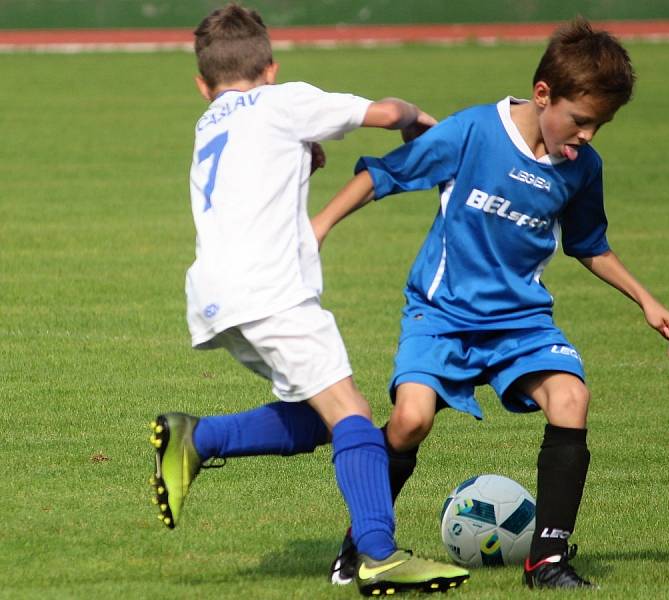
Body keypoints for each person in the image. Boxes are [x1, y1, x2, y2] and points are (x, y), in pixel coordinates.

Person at [313, 17, 669, 590]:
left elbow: (588, 244)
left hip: (520, 322)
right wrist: (319, 227)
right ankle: (363, 546)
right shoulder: (472, 132)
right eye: (582, 120)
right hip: (441, 316)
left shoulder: (583, 169)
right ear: (544, 95)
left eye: (600, 125)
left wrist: (646, 300)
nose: (588, 135)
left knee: (571, 396)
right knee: (410, 420)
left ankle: (547, 561)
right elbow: (385, 175)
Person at [147, 4, 469, 596]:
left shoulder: (209, 122)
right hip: (272, 290)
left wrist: (302, 156)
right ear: (270, 68)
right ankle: (377, 555)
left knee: (315, 417)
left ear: (202, 84)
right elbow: (385, 111)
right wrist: (418, 119)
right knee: (352, 413)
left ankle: (199, 438)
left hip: (216, 296)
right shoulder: (282, 100)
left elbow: (255, 174)